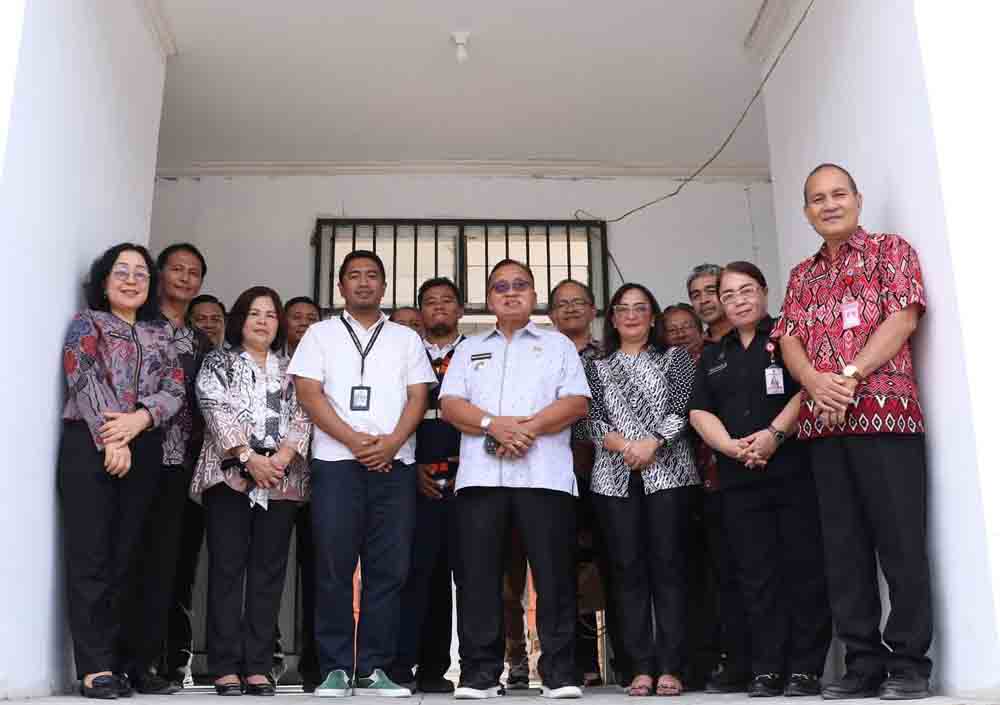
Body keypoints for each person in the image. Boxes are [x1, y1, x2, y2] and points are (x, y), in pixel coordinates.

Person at [772, 164, 932, 700]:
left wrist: (847, 376)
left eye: (838, 194)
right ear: (806, 212)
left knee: (901, 546)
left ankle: (909, 664)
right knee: (843, 553)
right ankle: (862, 664)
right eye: (818, 199)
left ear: (858, 200)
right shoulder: (801, 275)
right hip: (823, 428)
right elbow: (789, 339)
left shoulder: (891, 251)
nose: (830, 204)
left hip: (887, 418)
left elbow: (903, 319)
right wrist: (814, 381)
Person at [440, 259, 591, 700]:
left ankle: (560, 673)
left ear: (533, 296)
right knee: (478, 578)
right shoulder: (469, 348)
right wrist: (494, 425)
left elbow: (576, 403)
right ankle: (479, 674)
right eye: (501, 287)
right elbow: (450, 405)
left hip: (544, 478)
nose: (511, 293)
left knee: (554, 576)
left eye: (520, 285)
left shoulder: (557, 345)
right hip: (481, 480)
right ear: (489, 299)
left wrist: (525, 429)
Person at [290, 250, 435, 697]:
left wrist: (391, 443)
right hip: (336, 463)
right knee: (333, 566)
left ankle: (374, 666)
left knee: (387, 569)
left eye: (372, 276)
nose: (364, 282)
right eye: (354, 276)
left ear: (384, 286)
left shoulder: (405, 338)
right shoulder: (319, 334)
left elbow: (418, 396)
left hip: (394, 464)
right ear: (341, 287)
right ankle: (334, 667)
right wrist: (354, 441)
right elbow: (309, 393)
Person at [689, 262, 831, 698]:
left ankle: (805, 668)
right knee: (755, 575)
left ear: (765, 291)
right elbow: (699, 411)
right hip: (738, 476)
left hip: (791, 471)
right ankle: (767, 667)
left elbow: (806, 390)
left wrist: (774, 435)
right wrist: (730, 447)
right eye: (728, 295)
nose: (738, 301)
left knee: (802, 569)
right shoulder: (715, 354)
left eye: (746, 290)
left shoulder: (788, 337)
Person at [59, 243, 184, 698]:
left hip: (144, 443)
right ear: (104, 279)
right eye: (122, 271)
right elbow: (82, 376)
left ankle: (131, 663)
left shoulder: (161, 333)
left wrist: (142, 419)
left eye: (140, 274)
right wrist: (113, 437)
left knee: (133, 557)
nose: (131, 280)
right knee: (91, 556)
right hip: (90, 445)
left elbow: (175, 387)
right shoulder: (87, 323)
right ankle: (96, 668)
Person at [190, 286, 313, 696]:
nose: (263, 321)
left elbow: (305, 413)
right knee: (227, 570)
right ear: (240, 319)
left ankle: (259, 666)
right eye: (254, 313)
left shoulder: (294, 368)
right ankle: (224, 666)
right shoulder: (219, 362)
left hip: (281, 480)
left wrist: (281, 458)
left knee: (269, 573)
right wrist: (247, 457)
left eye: (271, 315)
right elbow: (214, 408)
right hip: (229, 477)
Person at [579, 283, 699, 698]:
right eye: (623, 309)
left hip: (670, 474)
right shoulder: (596, 366)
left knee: (670, 568)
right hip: (613, 478)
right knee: (626, 571)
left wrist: (653, 443)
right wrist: (622, 445)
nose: (631, 315)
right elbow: (588, 419)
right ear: (612, 319)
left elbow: (684, 410)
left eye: (640, 308)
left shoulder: (674, 358)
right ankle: (639, 668)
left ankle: (672, 666)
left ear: (653, 317)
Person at [112, 243, 212, 694]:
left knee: (162, 565)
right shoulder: (139, 324)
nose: (185, 278)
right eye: (177, 269)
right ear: (160, 274)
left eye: (194, 272)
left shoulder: (199, 341)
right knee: (124, 556)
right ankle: (110, 660)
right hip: (133, 454)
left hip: (179, 465)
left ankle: (145, 664)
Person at [390, 277, 466, 694]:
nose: (439, 307)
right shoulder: (405, 353)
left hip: (468, 478)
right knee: (416, 572)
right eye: (430, 301)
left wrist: (469, 466)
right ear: (420, 312)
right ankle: (401, 664)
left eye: (447, 300)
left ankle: (438, 668)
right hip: (413, 477)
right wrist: (412, 464)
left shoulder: (475, 352)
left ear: (461, 309)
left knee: (462, 574)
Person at [686, 267, 751, 694]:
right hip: (710, 479)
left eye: (712, 291)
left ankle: (771, 662)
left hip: (761, 469)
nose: (706, 300)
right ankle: (737, 661)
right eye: (697, 294)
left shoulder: (764, 341)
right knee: (724, 575)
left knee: (760, 571)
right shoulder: (697, 354)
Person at [548, 279, 615, 686]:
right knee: (561, 565)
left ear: (593, 310)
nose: (570, 309)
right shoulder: (544, 355)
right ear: (551, 314)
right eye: (562, 304)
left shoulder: (609, 354)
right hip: (555, 472)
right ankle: (577, 661)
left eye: (578, 302)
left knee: (612, 561)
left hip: (609, 468)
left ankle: (625, 660)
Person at [281, 295, 323, 690]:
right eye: (297, 317)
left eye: (312, 317)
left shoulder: (328, 361)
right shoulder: (271, 361)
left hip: (318, 482)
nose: (304, 323)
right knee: (268, 571)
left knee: (317, 574)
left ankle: (315, 662)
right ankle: (268, 657)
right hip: (272, 480)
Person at [687, 264, 731, 344]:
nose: (703, 300)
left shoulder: (750, 339)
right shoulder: (696, 348)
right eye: (696, 295)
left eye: (711, 291)